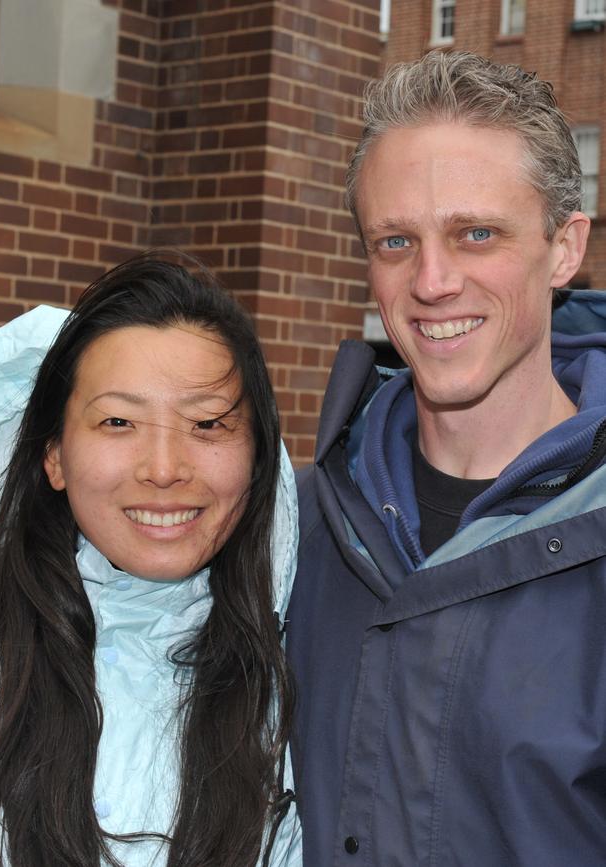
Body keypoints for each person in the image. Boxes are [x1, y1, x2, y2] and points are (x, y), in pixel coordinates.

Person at [286, 50, 606, 866]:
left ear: (564, 247)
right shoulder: (297, 529)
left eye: (476, 233)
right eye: (395, 240)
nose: (432, 281)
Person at [0, 254, 301, 867]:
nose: (164, 468)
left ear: (258, 454)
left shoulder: (304, 687)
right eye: (118, 420)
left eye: (207, 423)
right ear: (54, 455)